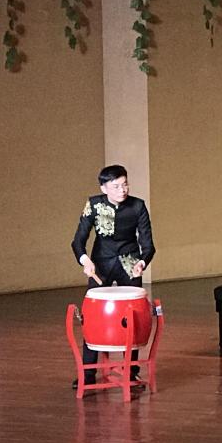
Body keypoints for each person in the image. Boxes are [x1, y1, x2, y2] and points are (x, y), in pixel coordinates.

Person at [70, 164, 156, 388]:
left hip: (129, 263)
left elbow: (148, 244)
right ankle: (88, 372)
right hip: (101, 263)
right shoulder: (94, 205)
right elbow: (78, 241)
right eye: (116, 186)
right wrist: (85, 261)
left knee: (133, 317)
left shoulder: (137, 206)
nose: (122, 190)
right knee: (92, 316)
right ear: (104, 188)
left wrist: (142, 262)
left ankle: (131, 371)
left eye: (125, 184)